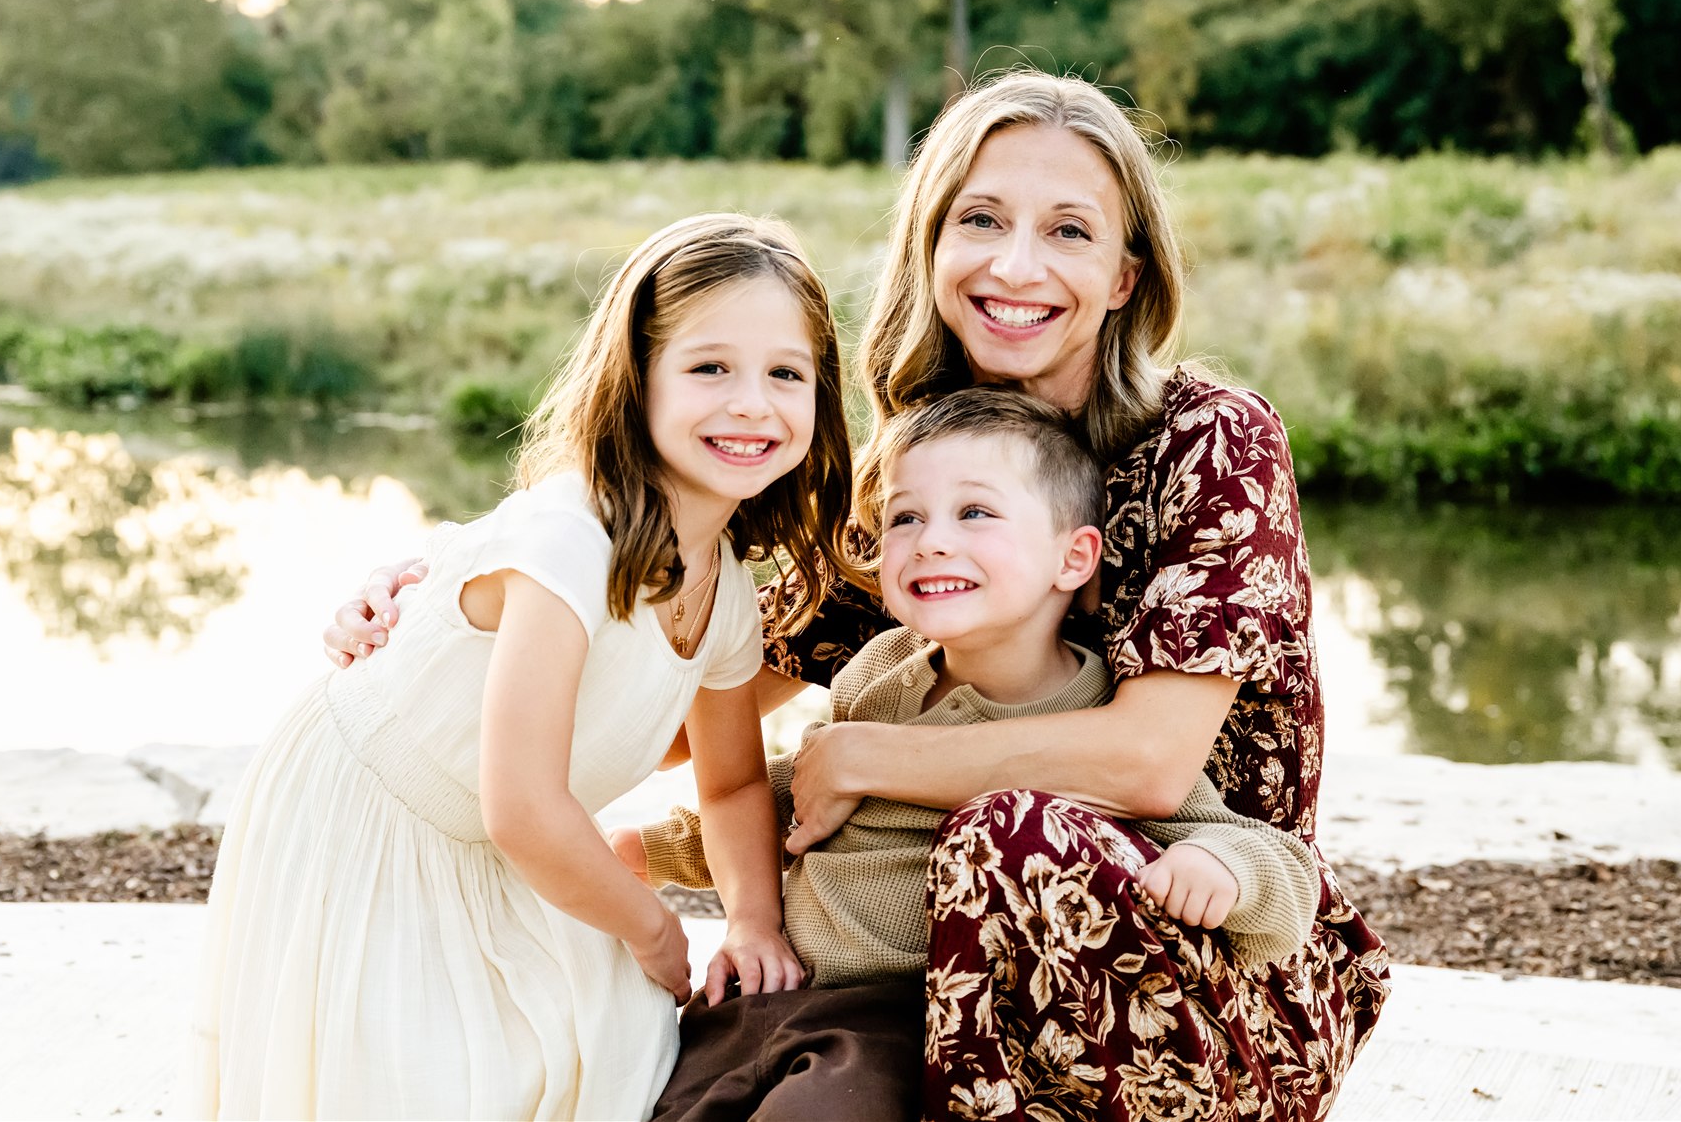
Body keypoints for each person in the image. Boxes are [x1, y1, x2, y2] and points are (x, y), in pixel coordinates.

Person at [329, 71, 1390, 1121]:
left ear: (1124, 274)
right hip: (941, 1006)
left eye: (1068, 231)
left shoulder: (1206, 441)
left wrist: (865, 757)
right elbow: (675, 693)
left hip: (1213, 974)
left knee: (1006, 837)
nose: (1015, 264)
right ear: (928, 248)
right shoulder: (913, 487)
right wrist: (477, 606)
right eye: (978, 219)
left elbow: (1148, 761)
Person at [195, 214, 859, 1120]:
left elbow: (735, 781)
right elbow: (522, 804)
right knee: (425, 1085)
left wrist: (750, 918)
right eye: (710, 367)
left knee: (617, 1052)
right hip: (377, 815)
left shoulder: (727, 588)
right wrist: (657, 929)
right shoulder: (569, 538)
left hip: (507, 844)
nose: (752, 401)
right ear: (639, 381)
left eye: (786, 373)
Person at [637, 387, 1325, 1122]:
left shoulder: (1090, 714)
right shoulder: (878, 671)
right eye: (905, 517)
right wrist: (654, 849)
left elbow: (1278, 858)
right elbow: (795, 795)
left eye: (975, 513)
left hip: (894, 1022)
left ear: (1074, 557)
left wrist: (1221, 867)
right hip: (777, 989)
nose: (931, 539)